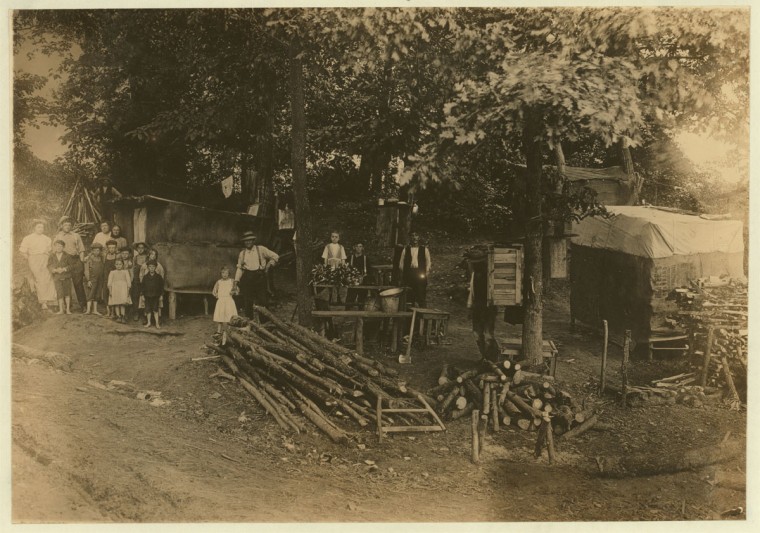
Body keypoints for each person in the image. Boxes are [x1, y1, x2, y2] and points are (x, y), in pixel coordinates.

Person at [233, 231, 279, 318]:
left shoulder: (261, 249)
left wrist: (269, 264)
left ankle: (265, 323)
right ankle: (249, 323)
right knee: (247, 302)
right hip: (247, 278)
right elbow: (239, 268)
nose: (248, 242)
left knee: (263, 301)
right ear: (244, 242)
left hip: (260, 278)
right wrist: (236, 281)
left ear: (253, 240)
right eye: (246, 241)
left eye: (250, 240)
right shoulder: (242, 253)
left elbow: (275, 256)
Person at [19, 219, 56, 310]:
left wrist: (46, 257)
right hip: (33, 259)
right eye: (38, 227)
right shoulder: (28, 238)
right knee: (39, 279)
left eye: (42, 227)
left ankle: (50, 300)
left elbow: (49, 250)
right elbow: (22, 251)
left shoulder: (47, 239)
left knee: (48, 278)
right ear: (34, 228)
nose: (41, 229)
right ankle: (43, 302)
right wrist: (30, 259)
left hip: (45, 259)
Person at [54, 216, 87, 311]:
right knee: (65, 283)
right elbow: (55, 250)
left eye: (69, 225)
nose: (67, 227)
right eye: (65, 225)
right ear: (61, 226)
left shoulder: (76, 235)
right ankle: (68, 305)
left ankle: (83, 305)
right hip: (64, 261)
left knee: (78, 283)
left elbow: (81, 250)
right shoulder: (58, 236)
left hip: (76, 260)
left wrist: (81, 261)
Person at [399, 232, 431, 308]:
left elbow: (428, 262)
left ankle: (423, 315)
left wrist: (425, 273)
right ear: (410, 237)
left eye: (416, 235)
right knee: (409, 296)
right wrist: (406, 274)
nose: (414, 237)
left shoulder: (424, 249)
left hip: (420, 274)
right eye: (412, 235)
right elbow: (401, 264)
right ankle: (410, 318)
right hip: (409, 274)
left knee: (421, 295)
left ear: (419, 237)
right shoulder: (405, 250)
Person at [48, 239, 75, 314]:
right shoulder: (52, 256)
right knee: (59, 293)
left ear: (63, 247)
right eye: (57, 246)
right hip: (57, 277)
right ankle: (61, 310)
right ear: (54, 247)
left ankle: (68, 309)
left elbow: (72, 266)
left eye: (60, 246)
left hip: (66, 276)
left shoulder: (67, 256)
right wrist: (54, 270)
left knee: (67, 293)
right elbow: (49, 265)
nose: (59, 248)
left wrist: (64, 269)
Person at [139, 249, 165, 321]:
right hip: (147, 287)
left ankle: (158, 318)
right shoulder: (144, 265)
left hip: (155, 288)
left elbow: (162, 276)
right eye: (151, 254)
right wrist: (143, 283)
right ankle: (146, 317)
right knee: (146, 303)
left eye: (155, 255)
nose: (153, 256)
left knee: (157, 304)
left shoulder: (159, 266)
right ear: (149, 255)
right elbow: (141, 275)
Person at [212, 266, 238, 338]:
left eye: (226, 273)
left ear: (229, 273)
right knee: (220, 316)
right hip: (221, 301)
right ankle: (219, 331)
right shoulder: (219, 282)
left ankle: (229, 331)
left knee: (229, 316)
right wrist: (217, 295)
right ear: (221, 274)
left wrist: (233, 292)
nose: (224, 274)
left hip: (229, 301)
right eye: (223, 273)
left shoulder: (231, 281)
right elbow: (214, 291)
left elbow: (236, 290)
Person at [346, 242, 372, 307]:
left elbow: (369, 271)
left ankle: (361, 315)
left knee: (362, 300)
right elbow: (345, 268)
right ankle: (347, 314)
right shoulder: (350, 257)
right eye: (357, 246)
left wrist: (365, 277)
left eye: (360, 246)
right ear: (354, 247)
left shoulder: (366, 258)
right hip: (352, 281)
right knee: (350, 299)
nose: (358, 248)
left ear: (363, 248)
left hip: (362, 281)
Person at [84, 243, 106, 315]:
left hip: (100, 279)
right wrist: (88, 280)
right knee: (90, 293)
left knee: (97, 293)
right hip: (92, 279)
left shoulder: (101, 258)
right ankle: (88, 310)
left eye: (98, 250)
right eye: (95, 250)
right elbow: (86, 270)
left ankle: (95, 310)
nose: (97, 252)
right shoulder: (89, 259)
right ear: (92, 251)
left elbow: (105, 253)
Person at [141, 260, 164, 329]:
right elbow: (143, 287)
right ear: (148, 267)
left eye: (153, 267)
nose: (151, 268)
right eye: (150, 267)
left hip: (155, 296)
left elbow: (161, 287)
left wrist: (161, 295)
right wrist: (142, 295)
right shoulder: (145, 277)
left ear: (155, 267)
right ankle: (149, 322)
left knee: (155, 309)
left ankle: (157, 323)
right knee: (148, 310)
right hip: (147, 296)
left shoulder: (159, 277)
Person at [108, 258, 131, 324]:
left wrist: (128, 291)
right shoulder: (112, 272)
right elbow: (109, 283)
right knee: (116, 303)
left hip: (123, 290)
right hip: (115, 290)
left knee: (122, 303)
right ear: (115, 265)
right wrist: (110, 291)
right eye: (117, 264)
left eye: (120, 264)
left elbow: (128, 283)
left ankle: (123, 316)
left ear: (123, 265)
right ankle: (118, 316)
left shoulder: (125, 272)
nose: (118, 266)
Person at [131, 242, 148, 320]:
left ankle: (145, 314)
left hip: (145, 280)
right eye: (139, 248)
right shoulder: (135, 258)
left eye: (142, 248)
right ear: (137, 249)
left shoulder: (147, 258)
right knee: (135, 296)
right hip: (136, 280)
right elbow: (133, 269)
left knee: (145, 296)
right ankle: (136, 313)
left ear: (144, 249)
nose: (140, 249)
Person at [103, 239, 119, 317]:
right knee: (106, 294)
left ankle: (113, 312)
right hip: (106, 277)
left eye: (113, 247)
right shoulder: (104, 256)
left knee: (113, 294)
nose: (112, 249)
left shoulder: (118, 256)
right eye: (110, 248)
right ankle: (108, 311)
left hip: (115, 279)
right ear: (107, 248)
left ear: (116, 248)